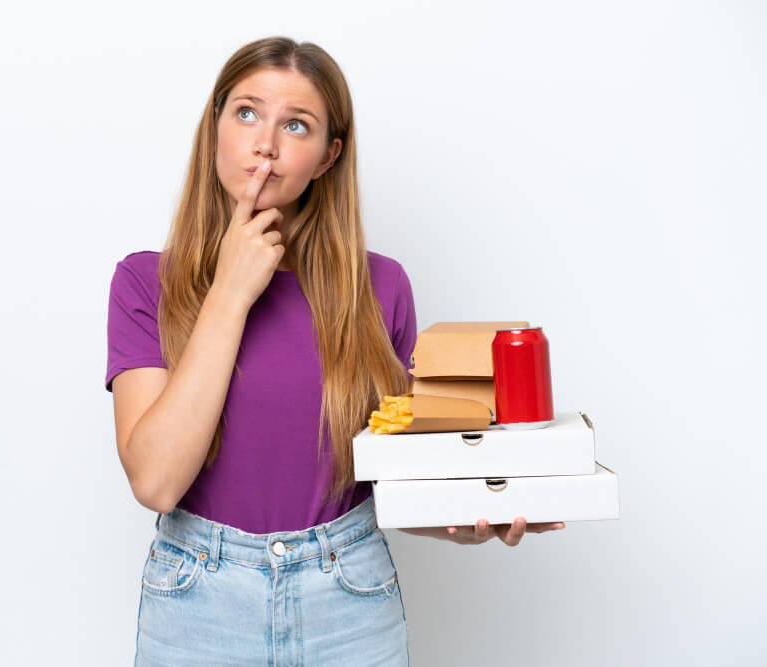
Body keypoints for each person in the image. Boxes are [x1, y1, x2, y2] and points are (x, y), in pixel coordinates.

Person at [105, 36, 564, 666]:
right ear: (214, 127)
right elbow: (156, 481)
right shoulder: (143, 282)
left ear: (327, 157)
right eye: (246, 113)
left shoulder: (382, 288)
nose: (265, 143)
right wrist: (231, 292)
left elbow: (392, 479)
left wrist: (478, 513)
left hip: (349, 600)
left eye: (296, 125)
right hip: (198, 605)